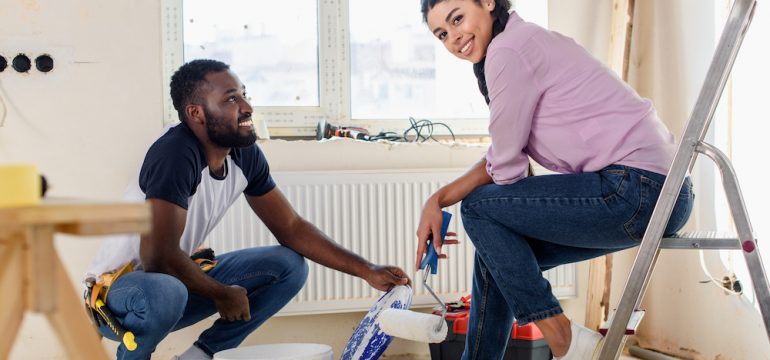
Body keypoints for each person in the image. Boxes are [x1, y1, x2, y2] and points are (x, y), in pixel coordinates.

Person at [415, 1, 694, 359]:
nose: (454, 37)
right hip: (664, 193)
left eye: (457, 19)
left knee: (479, 210)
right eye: (442, 34)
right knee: (496, 255)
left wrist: (441, 200)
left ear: (487, 3)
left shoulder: (509, 51)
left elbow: (506, 171)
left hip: (639, 189)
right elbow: (505, 159)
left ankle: (561, 335)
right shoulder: (520, 42)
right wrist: (437, 200)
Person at [84, 59, 411, 360]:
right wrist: (222, 293)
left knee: (287, 265)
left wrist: (367, 269)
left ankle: (200, 357)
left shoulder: (242, 153)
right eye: (230, 99)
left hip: (174, 287)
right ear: (197, 113)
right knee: (166, 289)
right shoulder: (175, 153)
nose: (246, 107)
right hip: (119, 297)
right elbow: (157, 256)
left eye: (243, 95)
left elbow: (292, 228)